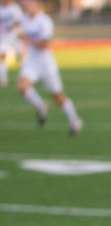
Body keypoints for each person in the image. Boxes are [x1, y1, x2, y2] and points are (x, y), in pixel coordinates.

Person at [17, 0, 82, 133]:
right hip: (31, 62)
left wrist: (27, 39)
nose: (26, 5)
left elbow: (45, 44)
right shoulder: (23, 19)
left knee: (58, 96)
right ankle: (41, 106)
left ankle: (74, 120)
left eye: (29, 4)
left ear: (37, 5)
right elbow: (19, 37)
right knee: (22, 87)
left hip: (46, 64)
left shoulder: (45, 21)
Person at [0, 0, 22, 87]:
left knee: (21, 55)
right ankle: (3, 79)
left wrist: (13, 27)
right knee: (2, 56)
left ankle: (24, 76)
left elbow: (19, 22)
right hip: (3, 37)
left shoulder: (15, 8)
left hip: (14, 35)